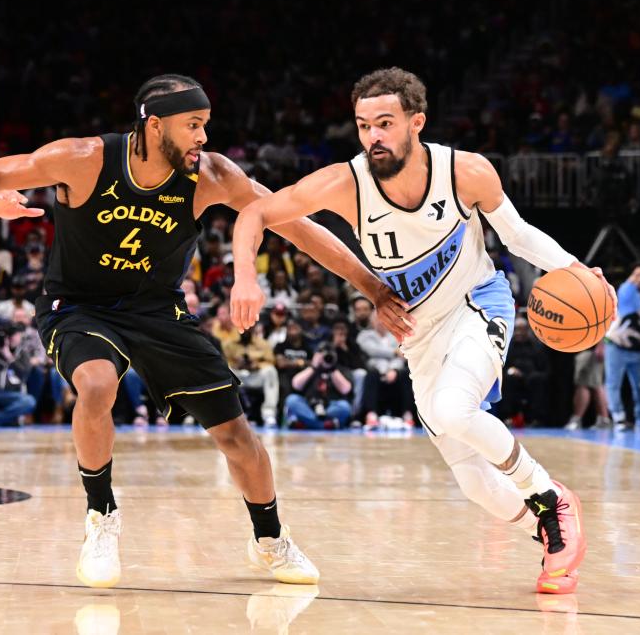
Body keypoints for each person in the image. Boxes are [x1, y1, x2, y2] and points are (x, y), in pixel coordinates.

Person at [0, 73, 410, 589]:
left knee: (235, 434)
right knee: (97, 383)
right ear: (154, 124)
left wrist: (372, 287)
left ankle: (270, 541)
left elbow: (296, 224)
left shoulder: (212, 174)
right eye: (193, 125)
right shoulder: (84, 159)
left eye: (205, 125)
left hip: (158, 309)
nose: (203, 137)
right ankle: (102, 516)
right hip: (80, 307)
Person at [231, 67, 613, 594]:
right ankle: (545, 530)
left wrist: (574, 268)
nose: (373, 137)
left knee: (452, 410)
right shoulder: (344, 184)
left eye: (385, 124)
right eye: (364, 126)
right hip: (420, 333)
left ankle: (551, 497)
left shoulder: (467, 172)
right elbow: (255, 213)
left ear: (417, 122)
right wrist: (245, 276)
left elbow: (519, 237)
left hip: (478, 303)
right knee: (474, 483)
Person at [603, 262, 640, 430]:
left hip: (638, 349)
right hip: (616, 344)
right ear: (631, 276)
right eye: (637, 275)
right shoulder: (624, 291)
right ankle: (618, 417)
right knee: (613, 383)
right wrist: (631, 283)